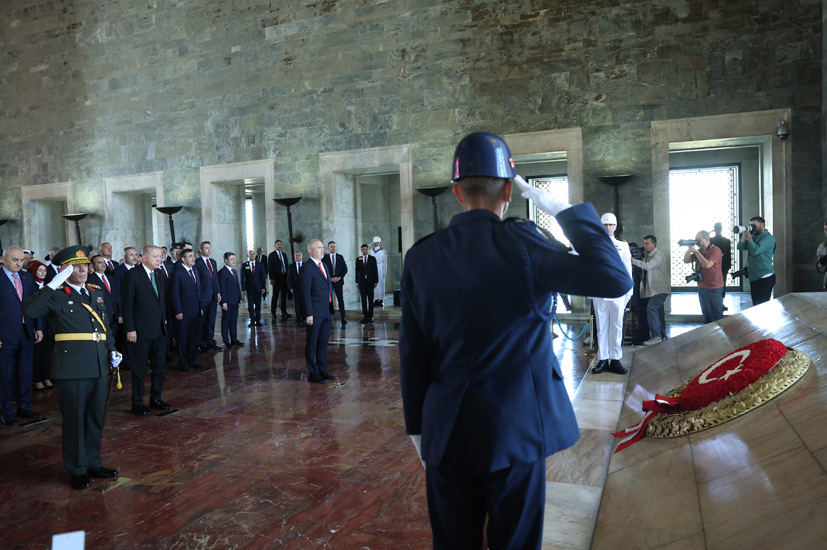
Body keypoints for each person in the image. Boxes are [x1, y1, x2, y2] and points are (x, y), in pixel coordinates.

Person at [400, 132, 632, 550]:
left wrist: (420, 433)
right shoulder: (523, 244)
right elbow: (614, 279)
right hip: (516, 429)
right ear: (510, 188)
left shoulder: (421, 256)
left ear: (456, 192)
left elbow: (413, 354)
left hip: (445, 432)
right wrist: (556, 207)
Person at [22, 245, 121, 489]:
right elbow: (30, 310)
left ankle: (93, 463)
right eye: (76, 267)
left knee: (95, 417)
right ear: (65, 270)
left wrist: (112, 350)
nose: (83, 270)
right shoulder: (56, 293)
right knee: (75, 419)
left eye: (85, 266)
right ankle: (77, 468)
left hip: (98, 363)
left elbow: (104, 326)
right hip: (72, 366)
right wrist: (53, 283)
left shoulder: (95, 292)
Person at [121, 245, 171, 415]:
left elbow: (162, 301)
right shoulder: (133, 275)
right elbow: (126, 305)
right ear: (144, 258)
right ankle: (137, 403)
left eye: (160, 256)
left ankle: (156, 398)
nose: (159, 259)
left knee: (159, 367)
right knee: (139, 369)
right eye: (156, 256)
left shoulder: (158, 274)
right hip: (140, 331)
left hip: (159, 329)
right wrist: (130, 329)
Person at [0, 246, 44, 425]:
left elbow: (36, 303)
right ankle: (6, 411)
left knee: (26, 373)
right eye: (14, 260)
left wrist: (39, 327)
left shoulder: (27, 278)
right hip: (5, 336)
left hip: (27, 333)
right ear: (4, 259)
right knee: (6, 375)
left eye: (21, 260)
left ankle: (24, 407)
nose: (19, 263)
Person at [591, 213, 633, 375]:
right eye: (605, 224)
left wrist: (628, 292)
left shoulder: (622, 245)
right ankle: (602, 359)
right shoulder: (594, 243)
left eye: (611, 224)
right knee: (601, 327)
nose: (608, 227)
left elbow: (627, 269)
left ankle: (615, 359)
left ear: (615, 226)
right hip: (600, 290)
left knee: (616, 325)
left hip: (617, 292)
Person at [300, 239, 336, 384]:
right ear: (311, 251)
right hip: (314, 314)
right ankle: (313, 373)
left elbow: (328, 287)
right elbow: (305, 293)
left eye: (322, 247)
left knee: (323, 343)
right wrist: (308, 314)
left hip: (326, 312)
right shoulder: (307, 268)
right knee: (312, 344)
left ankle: (322, 370)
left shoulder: (324, 265)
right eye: (320, 248)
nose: (323, 250)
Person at [631, 235, 670, 345]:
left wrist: (633, 260)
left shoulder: (659, 255)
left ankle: (656, 336)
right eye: (644, 244)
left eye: (647, 244)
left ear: (654, 244)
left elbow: (648, 266)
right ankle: (662, 336)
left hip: (659, 290)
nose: (645, 246)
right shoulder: (648, 256)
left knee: (651, 309)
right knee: (659, 312)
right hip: (654, 290)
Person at [170, 248, 203, 372]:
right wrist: (178, 310)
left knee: (194, 337)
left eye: (193, 256)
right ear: (183, 259)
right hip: (183, 312)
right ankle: (183, 362)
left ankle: (192, 360)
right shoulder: (177, 273)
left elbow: (198, 291)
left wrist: (200, 307)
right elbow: (175, 294)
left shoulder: (195, 270)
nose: (193, 258)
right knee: (183, 338)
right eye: (190, 256)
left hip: (195, 310)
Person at [683, 230, 724, 323]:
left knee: (715, 316)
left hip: (713, 288)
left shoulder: (715, 250)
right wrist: (690, 249)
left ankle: (718, 337)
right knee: (706, 315)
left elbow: (707, 265)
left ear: (706, 239)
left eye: (699, 239)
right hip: (702, 287)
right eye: (696, 239)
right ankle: (709, 337)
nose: (697, 241)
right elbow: (686, 260)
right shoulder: (700, 251)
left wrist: (696, 252)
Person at [27, 261, 54, 391]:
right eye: (40, 270)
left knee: (47, 353)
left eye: (44, 270)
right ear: (33, 271)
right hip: (37, 324)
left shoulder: (47, 286)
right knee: (37, 354)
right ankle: (37, 379)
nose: (43, 272)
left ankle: (46, 377)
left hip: (49, 324)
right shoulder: (30, 286)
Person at [736, 216, 776, 306]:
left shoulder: (768, 238)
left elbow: (754, 251)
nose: (752, 227)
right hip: (755, 276)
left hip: (765, 276)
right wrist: (744, 235)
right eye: (751, 225)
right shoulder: (754, 237)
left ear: (763, 225)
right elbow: (740, 247)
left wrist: (749, 237)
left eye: (754, 225)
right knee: (756, 304)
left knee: (762, 305)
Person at [193, 241, 221, 352]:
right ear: (201, 250)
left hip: (213, 297)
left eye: (210, 248)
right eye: (206, 248)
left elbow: (216, 279)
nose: (209, 250)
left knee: (211, 320)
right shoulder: (197, 262)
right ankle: (201, 343)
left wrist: (218, 292)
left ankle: (210, 341)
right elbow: (197, 281)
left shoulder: (213, 262)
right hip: (203, 297)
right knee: (201, 322)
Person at [217, 252, 243, 348]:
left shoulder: (234, 271)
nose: (234, 261)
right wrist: (223, 302)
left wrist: (240, 298)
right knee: (226, 322)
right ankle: (226, 341)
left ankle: (234, 339)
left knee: (233, 321)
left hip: (235, 301)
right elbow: (222, 288)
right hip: (227, 302)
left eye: (234, 259)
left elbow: (237, 286)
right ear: (226, 261)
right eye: (232, 259)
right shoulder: (222, 272)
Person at [322, 240, 348, 325]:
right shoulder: (325, 258)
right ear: (328, 248)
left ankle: (343, 317)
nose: (333, 248)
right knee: (329, 300)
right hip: (329, 282)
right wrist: (330, 279)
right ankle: (330, 317)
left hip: (339, 282)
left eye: (334, 246)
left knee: (340, 300)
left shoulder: (340, 257)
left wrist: (339, 277)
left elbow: (345, 269)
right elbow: (323, 270)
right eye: (331, 247)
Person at [241, 250, 266, 327]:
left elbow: (263, 277)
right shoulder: (244, 265)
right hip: (249, 289)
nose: (252, 255)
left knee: (258, 305)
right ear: (248, 256)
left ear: (255, 255)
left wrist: (263, 287)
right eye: (250, 254)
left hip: (258, 288)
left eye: (253, 254)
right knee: (250, 306)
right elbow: (242, 278)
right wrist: (243, 289)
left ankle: (258, 320)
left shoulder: (260, 264)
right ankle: (252, 320)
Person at [268, 240, 291, 320]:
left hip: (284, 277)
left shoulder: (284, 255)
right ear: (275, 246)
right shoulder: (272, 255)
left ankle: (283, 311)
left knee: (283, 295)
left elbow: (286, 266)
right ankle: (273, 312)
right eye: (278, 244)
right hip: (276, 278)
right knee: (275, 295)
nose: (279, 246)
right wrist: (271, 278)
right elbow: (270, 267)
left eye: (280, 244)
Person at [355, 244, 378, 324]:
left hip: (370, 282)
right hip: (362, 283)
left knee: (371, 299)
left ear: (368, 250)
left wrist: (376, 281)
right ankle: (365, 316)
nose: (364, 250)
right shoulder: (358, 259)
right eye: (363, 249)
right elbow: (356, 271)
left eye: (366, 249)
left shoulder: (372, 259)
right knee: (363, 300)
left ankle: (371, 316)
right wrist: (356, 282)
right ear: (361, 250)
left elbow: (375, 270)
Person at [710, 222, 732, 301]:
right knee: (721, 283)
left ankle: (718, 301)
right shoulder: (726, 241)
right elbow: (728, 255)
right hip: (721, 265)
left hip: (715, 266)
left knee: (718, 283)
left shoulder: (711, 240)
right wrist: (729, 266)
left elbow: (728, 254)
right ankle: (720, 302)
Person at [287, 251, 305, 326]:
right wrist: (290, 287)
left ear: (302, 256)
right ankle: (298, 318)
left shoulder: (306, 265)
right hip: (295, 288)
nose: (298, 257)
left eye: (299, 255)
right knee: (297, 303)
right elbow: (289, 278)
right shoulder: (291, 266)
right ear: (294, 257)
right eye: (296, 255)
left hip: (304, 288)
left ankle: (304, 317)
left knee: (304, 303)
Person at [369, 236, 387, 307]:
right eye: (374, 242)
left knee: (381, 283)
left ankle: (381, 299)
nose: (375, 243)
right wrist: (370, 244)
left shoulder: (383, 251)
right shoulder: (371, 250)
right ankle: (376, 299)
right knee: (374, 283)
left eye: (376, 242)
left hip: (380, 267)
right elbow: (365, 248)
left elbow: (385, 263)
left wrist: (384, 271)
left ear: (379, 242)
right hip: (373, 268)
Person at [817, 221, 827, 291]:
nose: (826, 232)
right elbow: (819, 266)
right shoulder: (822, 246)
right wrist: (821, 262)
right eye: (825, 229)